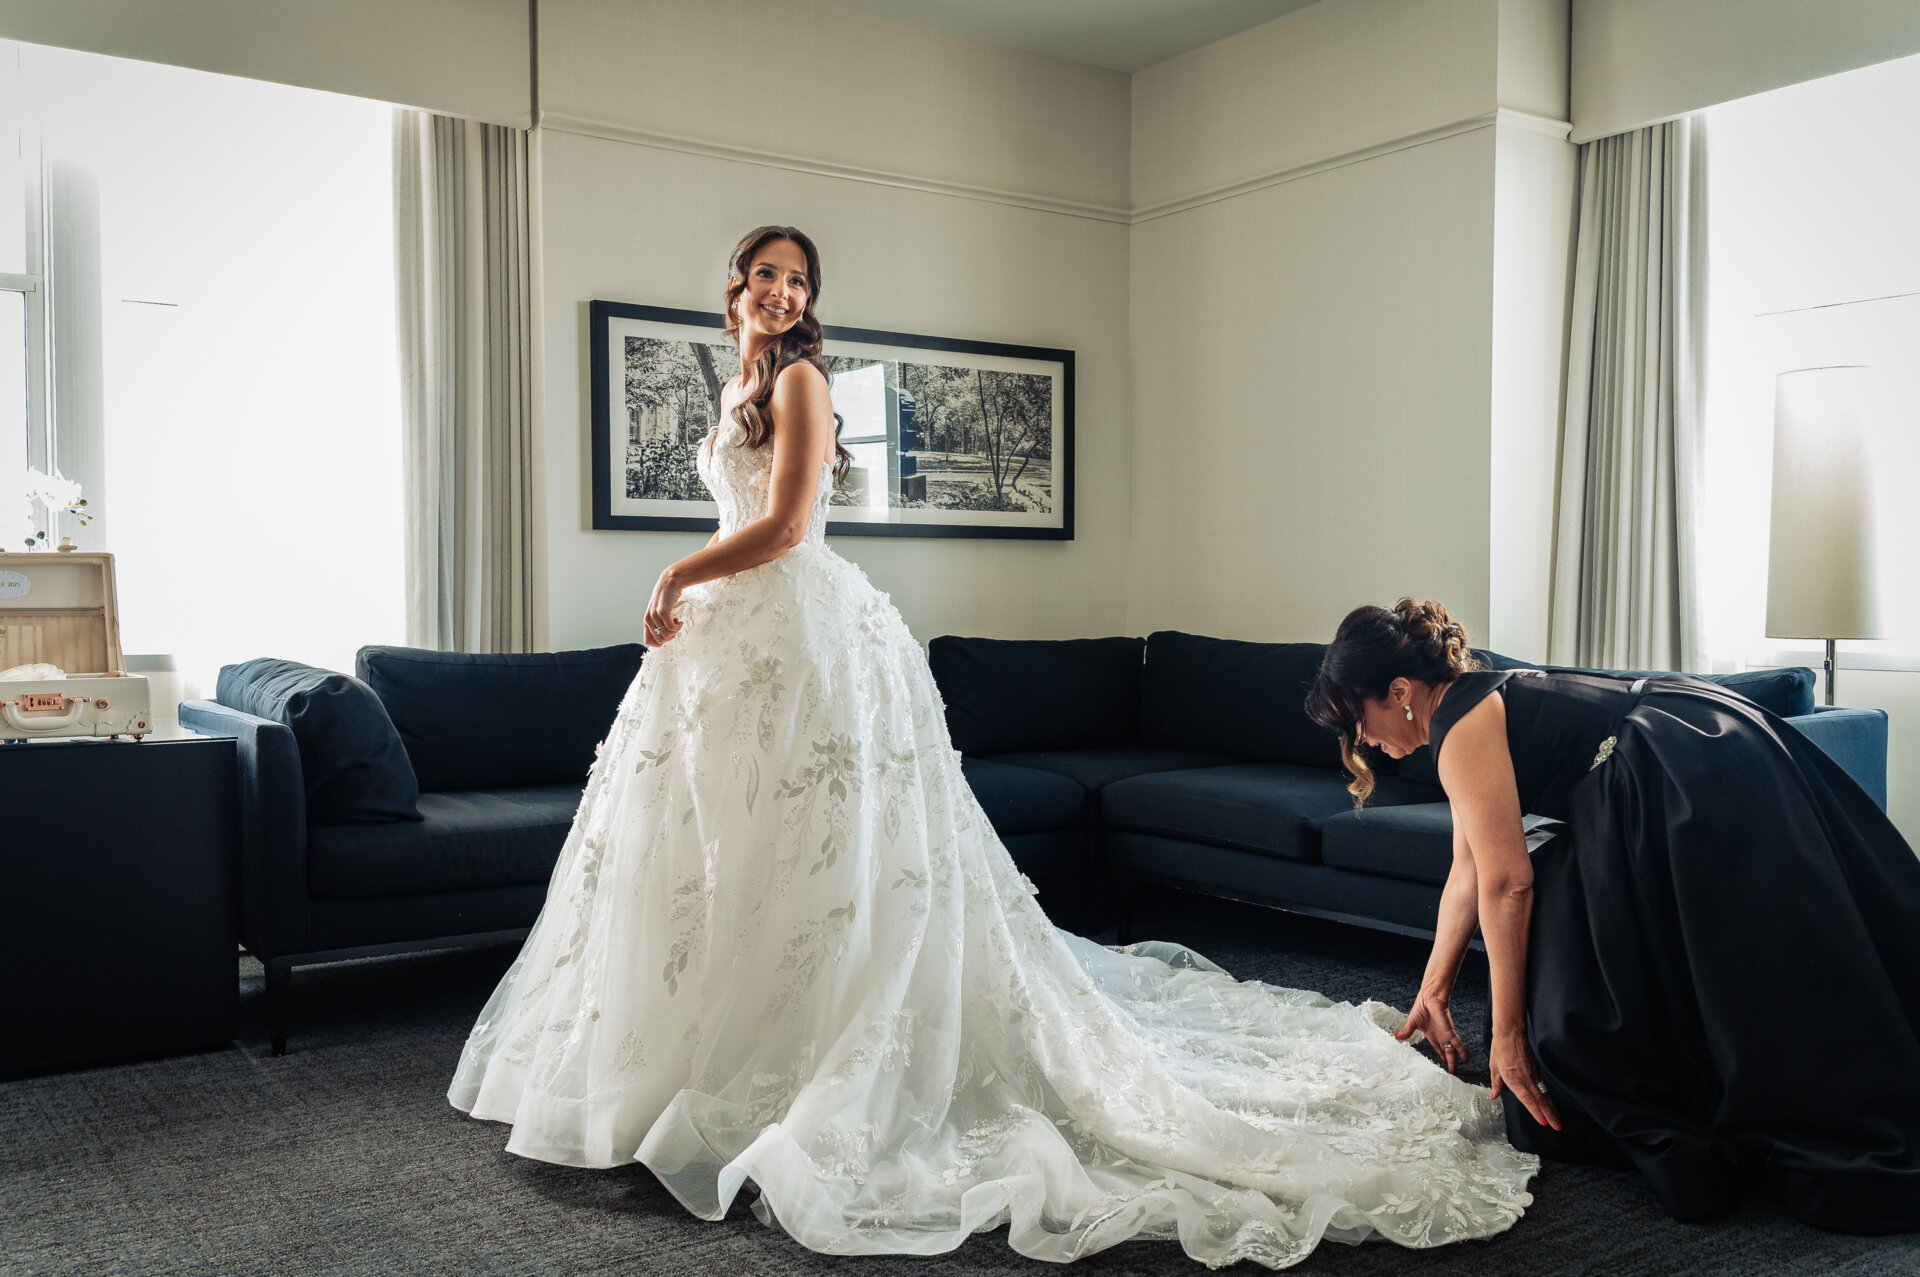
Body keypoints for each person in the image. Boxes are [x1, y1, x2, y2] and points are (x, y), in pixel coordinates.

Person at [448, 227, 1537, 1268]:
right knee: (732, 856)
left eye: (799, 279)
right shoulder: (737, 388)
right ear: (732, 291)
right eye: (766, 276)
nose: (783, 293)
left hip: (804, 634)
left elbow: (785, 527)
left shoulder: (800, 384)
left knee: (830, 866)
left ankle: (820, 1062)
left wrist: (678, 573)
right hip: (736, 649)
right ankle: (710, 1059)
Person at [1305, 599, 1920, 1234]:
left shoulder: (1460, 722)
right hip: (1685, 744)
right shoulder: (1462, 707)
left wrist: (1510, 1035)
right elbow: (1468, 869)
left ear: (1400, 691)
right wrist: (1433, 991)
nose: (1363, 744)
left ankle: (1766, 1115)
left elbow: (1509, 882)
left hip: (1679, 767)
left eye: (1359, 722)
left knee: (1744, 973)